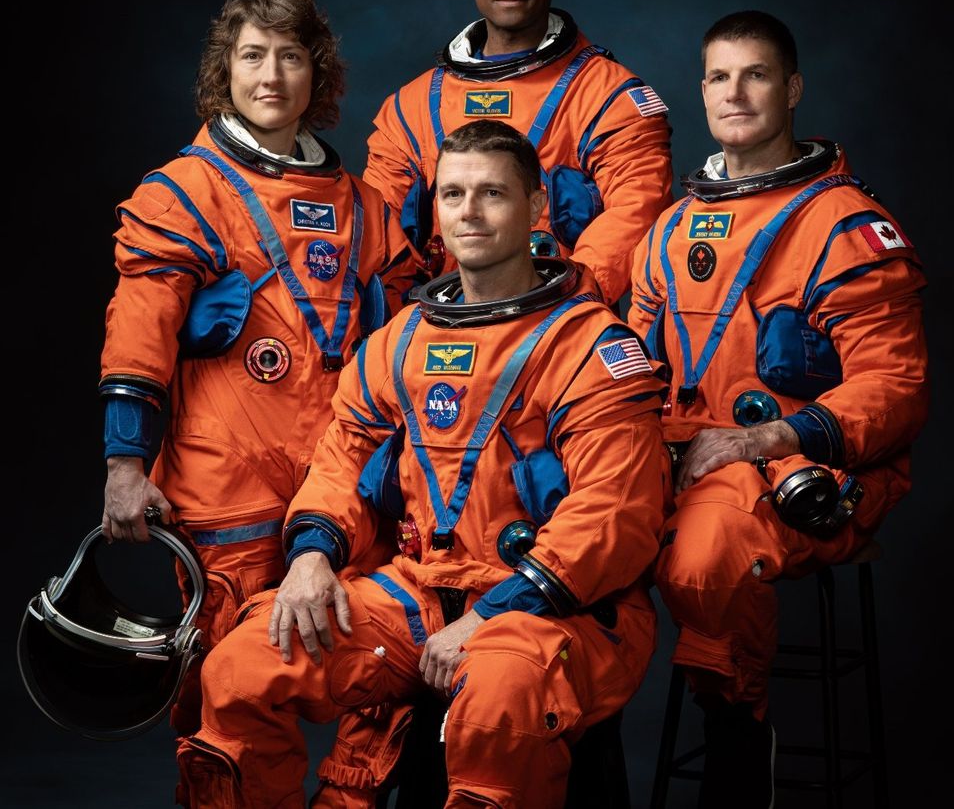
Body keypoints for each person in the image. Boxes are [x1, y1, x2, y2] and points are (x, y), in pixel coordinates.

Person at [176, 119, 669, 808]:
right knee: (239, 666)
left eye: (492, 194)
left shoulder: (589, 347)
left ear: (534, 209)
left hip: (558, 609)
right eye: (453, 194)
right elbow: (342, 458)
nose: (468, 212)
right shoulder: (400, 341)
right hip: (418, 593)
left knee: (498, 700)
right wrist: (314, 555)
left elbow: (616, 516)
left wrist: (494, 611)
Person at [99, 0, 417, 738]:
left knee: (374, 682)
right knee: (227, 701)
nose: (271, 75)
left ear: (319, 73)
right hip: (227, 492)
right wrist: (123, 464)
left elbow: (409, 351)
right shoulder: (184, 193)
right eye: (252, 57)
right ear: (226, 72)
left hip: (347, 489)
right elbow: (138, 330)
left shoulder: (365, 208)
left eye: (290, 56)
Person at [628, 11, 928, 807]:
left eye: (755, 75)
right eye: (720, 77)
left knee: (704, 552)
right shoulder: (668, 231)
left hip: (802, 465)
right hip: (679, 459)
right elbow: (629, 371)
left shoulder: (846, 227)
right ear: (701, 93)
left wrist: (768, 435)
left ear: (791, 88)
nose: (736, 92)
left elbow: (895, 389)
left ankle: (736, 729)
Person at [363, 0, 673, 304]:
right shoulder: (412, 107)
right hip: (437, 328)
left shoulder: (607, 95)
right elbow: (377, 228)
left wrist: (564, 306)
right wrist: (408, 320)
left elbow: (636, 210)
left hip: (557, 325)